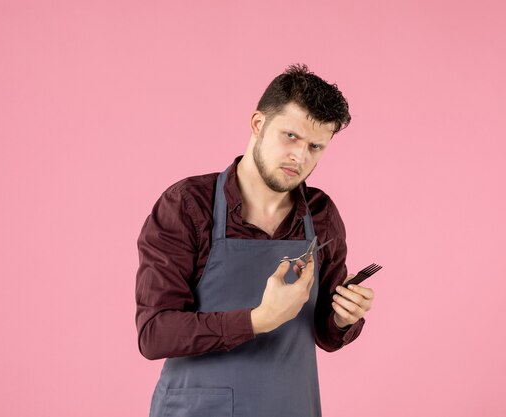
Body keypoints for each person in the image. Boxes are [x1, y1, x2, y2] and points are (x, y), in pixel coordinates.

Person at [135, 63, 375, 417]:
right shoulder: (188, 205)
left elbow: (325, 333)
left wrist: (343, 317)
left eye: (316, 146)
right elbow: (154, 333)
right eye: (290, 136)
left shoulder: (321, 215)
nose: (300, 156)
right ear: (258, 124)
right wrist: (258, 319)